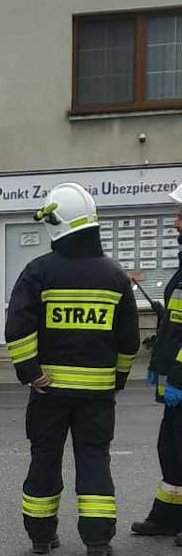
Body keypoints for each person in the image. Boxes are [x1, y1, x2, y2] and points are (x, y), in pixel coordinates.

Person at [6, 183, 139, 556]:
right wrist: (118, 379)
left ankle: (41, 537)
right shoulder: (115, 276)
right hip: (97, 394)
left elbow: (18, 327)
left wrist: (31, 372)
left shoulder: (39, 271)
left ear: (57, 223)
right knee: (94, 459)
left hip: (48, 391)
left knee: (45, 458)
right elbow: (128, 339)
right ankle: (98, 541)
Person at [132, 186, 182, 546]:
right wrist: (158, 361)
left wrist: (177, 373)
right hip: (176, 382)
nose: (176, 223)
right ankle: (167, 517)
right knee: (171, 450)